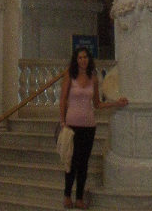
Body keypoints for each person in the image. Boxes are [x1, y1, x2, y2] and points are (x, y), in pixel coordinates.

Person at [59, 47, 128, 208]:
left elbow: (97, 104)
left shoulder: (93, 77)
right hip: (71, 124)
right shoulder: (70, 74)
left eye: (85, 57)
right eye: (80, 57)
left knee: (83, 163)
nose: (82, 60)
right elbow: (62, 99)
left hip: (89, 125)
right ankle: (67, 195)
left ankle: (80, 197)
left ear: (89, 59)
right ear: (76, 60)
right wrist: (62, 122)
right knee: (71, 160)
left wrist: (116, 103)